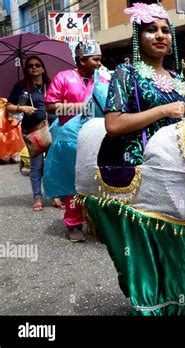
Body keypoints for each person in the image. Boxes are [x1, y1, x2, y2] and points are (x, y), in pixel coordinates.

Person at [86, 2, 185, 315]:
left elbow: (179, 129)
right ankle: (157, 303)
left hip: (178, 168)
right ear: (139, 36)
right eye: (151, 29)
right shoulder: (125, 74)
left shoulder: (179, 80)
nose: (160, 35)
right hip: (142, 170)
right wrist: (163, 111)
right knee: (153, 245)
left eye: (165, 30)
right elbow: (113, 125)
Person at [44, 40, 104, 241]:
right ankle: (73, 223)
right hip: (71, 139)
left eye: (100, 59)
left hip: (97, 136)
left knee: (99, 180)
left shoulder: (102, 80)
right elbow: (50, 107)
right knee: (74, 182)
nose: (99, 64)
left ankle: (98, 221)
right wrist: (80, 107)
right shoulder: (63, 78)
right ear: (82, 60)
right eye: (96, 59)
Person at [5, 56, 63, 211]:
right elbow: (8, 106)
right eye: (30, 66)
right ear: (26, 70)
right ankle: (37, 197)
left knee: (53, 164)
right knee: (36, 165)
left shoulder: (51, 85)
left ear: (43, 68)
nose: (34, 68)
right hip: (33, 131)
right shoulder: (21, 86)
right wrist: (21, 108)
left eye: (37, 65)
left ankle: (55, 196)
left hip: (53, 128)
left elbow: (61, 102)